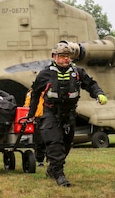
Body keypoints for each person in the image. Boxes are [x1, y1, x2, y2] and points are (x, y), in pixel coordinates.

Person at [27, 41, 107, 187]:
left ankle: (52, 169)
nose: (66, 59)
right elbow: (35, 93)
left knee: (66, 144)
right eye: (62, 56)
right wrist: (31, 114)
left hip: (69, 114)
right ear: (54, 57)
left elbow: (91, 84)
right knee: (55, 143)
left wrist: (99, 94)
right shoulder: (45, 74)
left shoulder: (77, 73)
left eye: (68, 56)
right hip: (50, 113)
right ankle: (59, 175)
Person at [24, 89, 47, 167]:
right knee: (38, 140)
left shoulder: (50, 92)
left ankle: (50, 157)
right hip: (37, 118)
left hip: (48, 118)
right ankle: (40, 159)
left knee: (49, 139)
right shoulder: (31, 93)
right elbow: (27, 105)